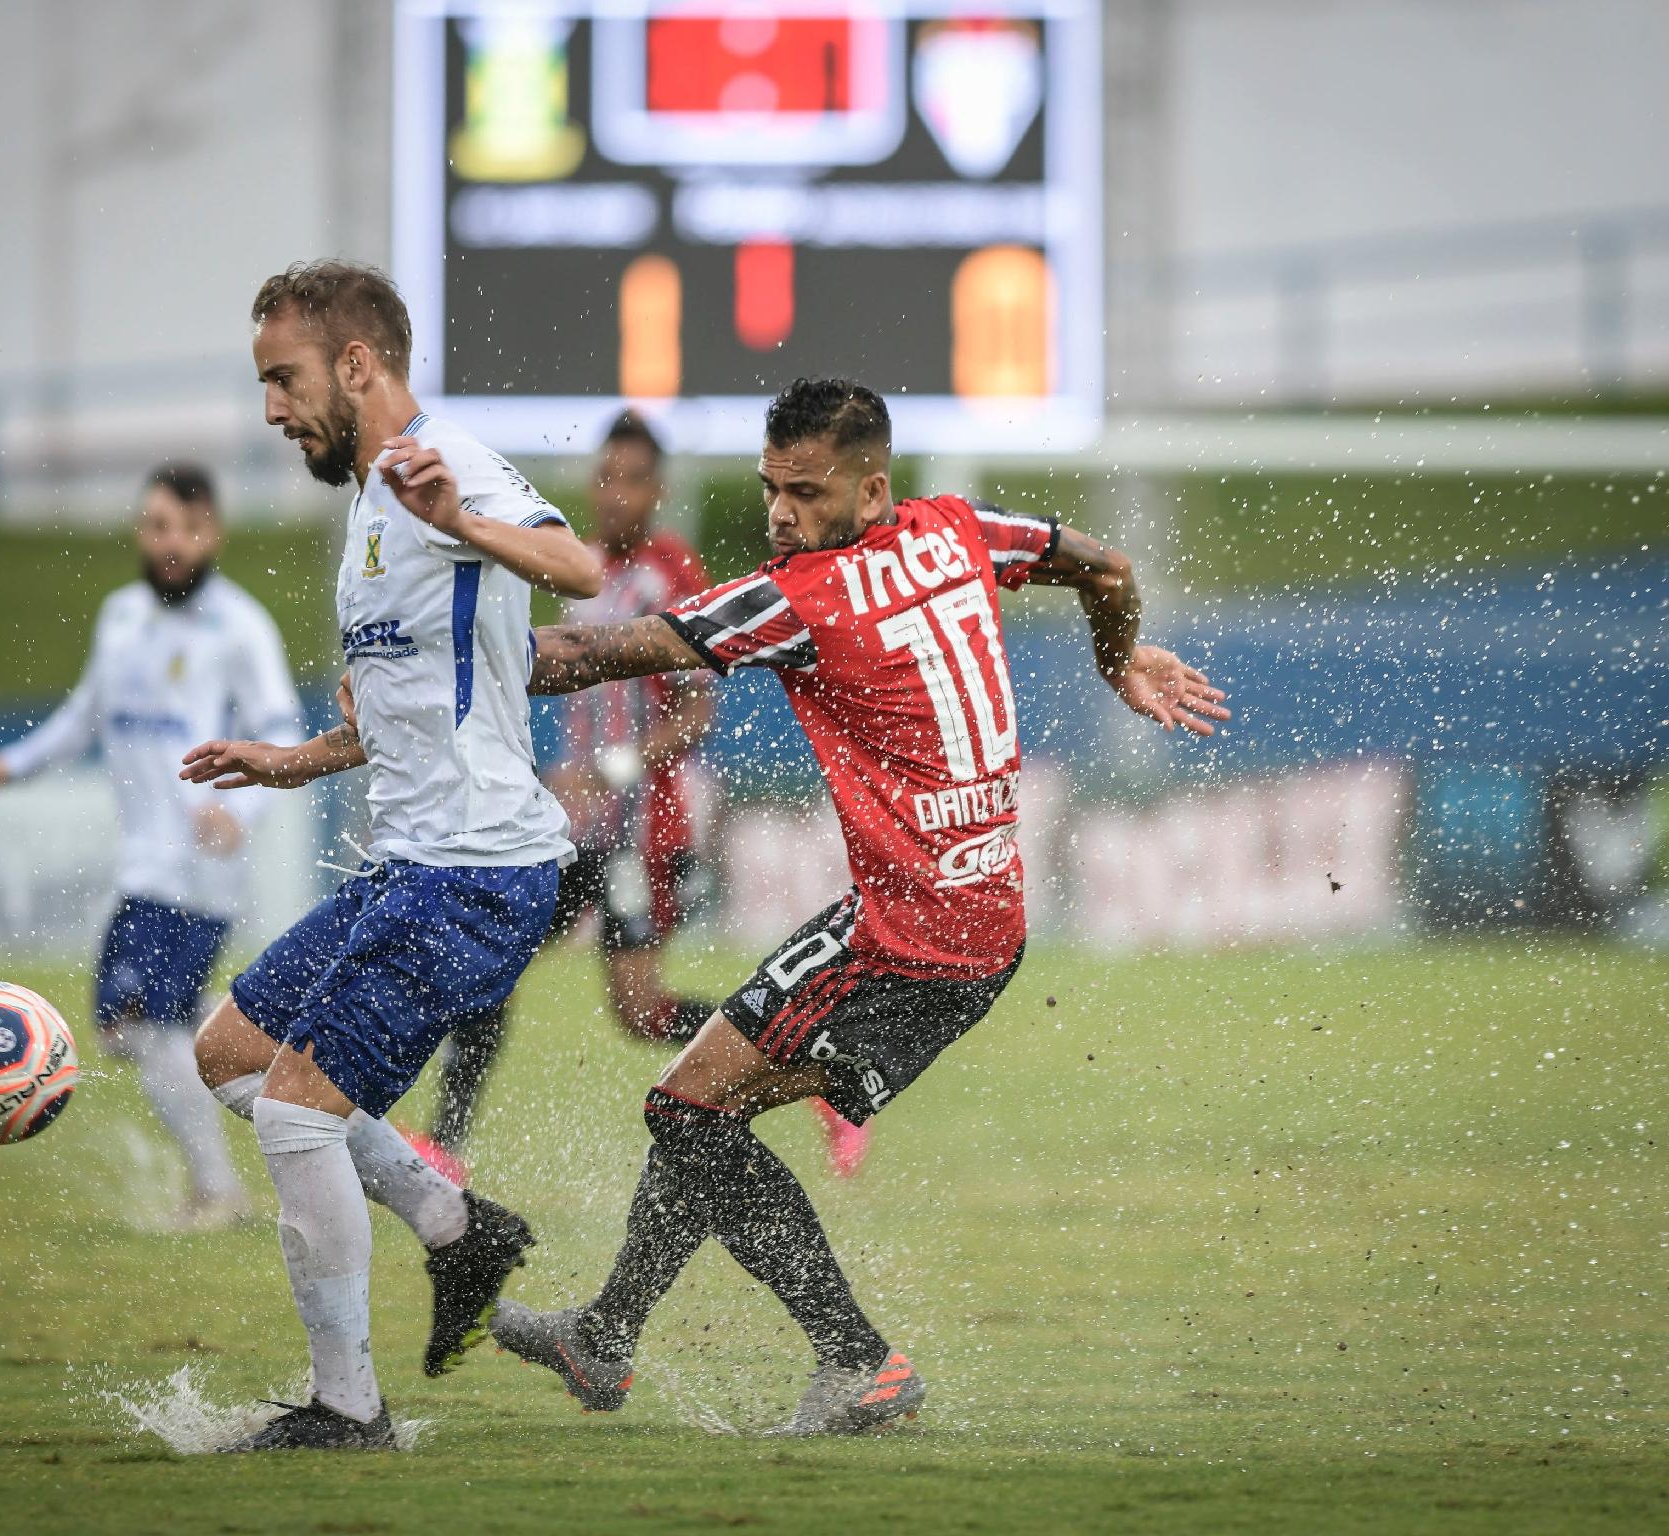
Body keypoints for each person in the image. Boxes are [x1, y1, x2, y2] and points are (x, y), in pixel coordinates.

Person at [491, 378, 1231, 1435]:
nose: (781, 514)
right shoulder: (963, 530)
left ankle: (858, 1362)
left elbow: (600, 651)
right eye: (769, 489)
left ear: (872, 488)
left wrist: (441, 672)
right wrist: (1120, 662)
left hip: (909, 939)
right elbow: (1105, 567)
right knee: (703, 1095)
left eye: (805, 492)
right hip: (961, 920)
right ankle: (603, 1336)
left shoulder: (803, 597)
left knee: (685, 1113)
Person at [176, 260, 603, 1452]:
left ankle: (347, 1411)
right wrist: (288, 762)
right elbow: (380, 722)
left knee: (297, 1118)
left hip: (479, 869)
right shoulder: (368, 504)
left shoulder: (441, 464)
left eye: (285, 378)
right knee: (228, 1057)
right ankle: (461, 1230)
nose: (271, 409)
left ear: (357, 364)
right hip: (409, 865)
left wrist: (459, 520)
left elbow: (580, 570)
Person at [0, 463, 303, 1231]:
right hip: (143, 865)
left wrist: (240, 812)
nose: (171, 542)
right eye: (157, 526)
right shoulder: (120, 616)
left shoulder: (240, 626)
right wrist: (11, 765)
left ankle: (218, 1190)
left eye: (186, 528)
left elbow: (282, 730)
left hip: (199, 869)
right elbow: (85, 715)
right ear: (140, 531)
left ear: (212, 533)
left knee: (139, 1023)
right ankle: (261, 1041)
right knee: (136, 1029)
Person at [419, 409, 721, 1169]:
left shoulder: (672, 573)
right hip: (572, 828)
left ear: (657, 490)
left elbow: (698, 714)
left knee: (641, 1012)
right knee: (491, 957)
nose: (614, 493)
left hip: (643, 830)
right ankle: (444, 1146)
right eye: (605, 475)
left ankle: (798, 1056)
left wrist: (611, 768)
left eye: (632, 479)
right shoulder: (577, 566)